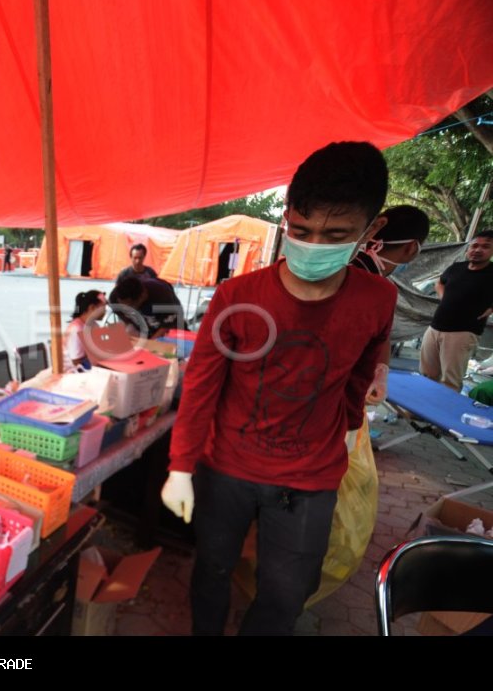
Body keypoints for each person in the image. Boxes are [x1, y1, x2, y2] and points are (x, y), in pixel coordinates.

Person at [161, 141, 395, 635]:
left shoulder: (378, 298)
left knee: (288, 591)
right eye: (301, 230)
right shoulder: (237, 296)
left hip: (311, 476)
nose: (313, 245)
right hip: (225, 467)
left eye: (335, 234)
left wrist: (349, 428)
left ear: (370, 231)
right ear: (287, 217)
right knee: (213, 569)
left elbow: (361, 370)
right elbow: (201, 386)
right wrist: (181, 466)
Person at [351, 204, 430, 403]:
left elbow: (381, 334)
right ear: (412, 248)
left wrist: (381, 371)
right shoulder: (374, 286)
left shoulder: (356, 271)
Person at [419, 231, 493, 391]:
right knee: (426, 375)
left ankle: (439, 415)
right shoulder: (456, 267)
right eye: (474, 246)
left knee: (450, 381)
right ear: (468, 248)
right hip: (435, 327)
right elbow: (439, 282)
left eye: (485, 247)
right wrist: (444, 298)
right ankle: (417, 413)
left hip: (463, 332)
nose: (478, 250)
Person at [108, 272, 184, 338]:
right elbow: (128, 323)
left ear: (142, 296)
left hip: (169, 326)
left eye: (129, 306)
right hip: (145, 327)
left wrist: (149, 344)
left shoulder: (162, 295)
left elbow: (166, 326)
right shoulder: (114, 300)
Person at [63, 290, 106, 371]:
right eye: (104, 308)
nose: (106, 311)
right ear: (92, 308)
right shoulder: (76, 329)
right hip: (73, 372)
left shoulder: (94, 325)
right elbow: (76, 361)